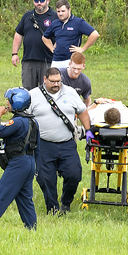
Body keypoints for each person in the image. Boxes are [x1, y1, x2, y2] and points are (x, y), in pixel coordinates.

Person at [26, 67, 91, 215]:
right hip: (43, 144)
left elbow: (82, 111)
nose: (56, 84)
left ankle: (66, 203)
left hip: (66, 143)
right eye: (53, 82)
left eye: (58, 81)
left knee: (74, 174)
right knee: (45, 178)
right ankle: (53, 209)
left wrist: (88, 131)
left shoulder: (70, 92)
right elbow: (24, 117)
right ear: (45, 80)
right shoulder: (33, 95)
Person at [0, 88, 39, 229]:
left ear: (16, 103)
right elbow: (38, 145)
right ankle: (32, 228)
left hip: (18, 163)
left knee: (2, 195)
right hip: (30, 162)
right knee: (25, 199)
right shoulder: (33, 121)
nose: (7, 103)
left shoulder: (17, 122)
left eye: (9, 101)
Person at [12, 0, 59, 91]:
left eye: (42, 0)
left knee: (48, 90)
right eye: (36, 1)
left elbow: (61, 35)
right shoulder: (27, 16)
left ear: (48, 1)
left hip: (48, 60)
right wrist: (14, 53)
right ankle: (30, 108)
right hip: (29, 59)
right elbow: (18, 34)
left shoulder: (55, 17)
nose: (39, 3)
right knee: (28, 91)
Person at [43, 0, 99, 71]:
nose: (60, 14)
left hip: (71, 60)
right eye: (58, 11)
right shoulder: (55, 23)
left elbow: (94, 34)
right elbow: (45, 37)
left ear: (69, 10)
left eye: (63, 11)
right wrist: (52, 48)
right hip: (56, 60)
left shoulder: (78, 22)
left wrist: (82, 48)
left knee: (69, 82)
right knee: (54, 81)